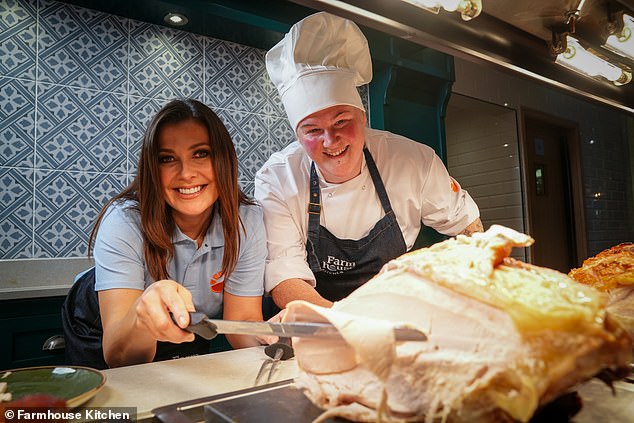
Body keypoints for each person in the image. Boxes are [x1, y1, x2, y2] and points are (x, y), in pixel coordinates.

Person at [255, 12, 483, 309]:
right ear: (298, 136)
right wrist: (345, 322)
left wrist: (479, 285)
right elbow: (285, 280)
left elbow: (467, 226)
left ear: (362, 117)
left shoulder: (413, 161)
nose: (330, 140)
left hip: (400, 312)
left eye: (341, 121)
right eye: (312, 130)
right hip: (319, 318)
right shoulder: (277, 179)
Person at [89, 98, 267, 367]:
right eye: (167, 159)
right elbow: (119, 357)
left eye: (201, 153)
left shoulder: (247, 221)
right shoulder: (123, 222)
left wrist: (276, 341)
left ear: (225, 159)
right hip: (108, 340)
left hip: (189, 338)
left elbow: (240, 321)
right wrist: (141, 318)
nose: (186, 174)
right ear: (152, 168)